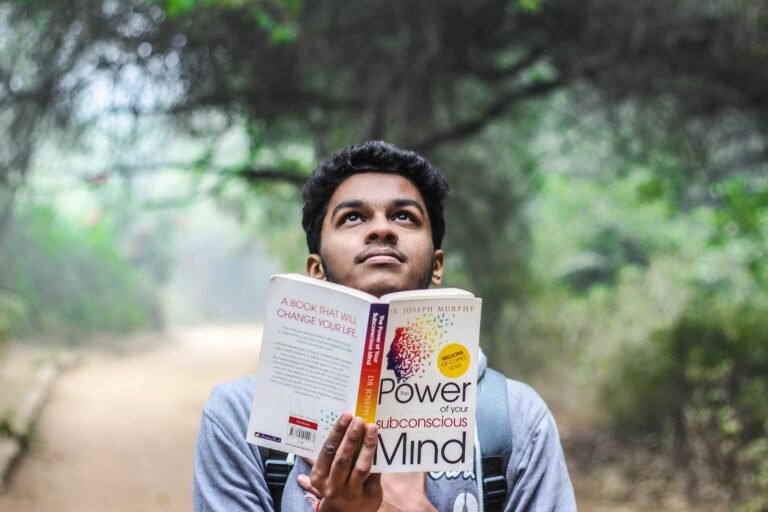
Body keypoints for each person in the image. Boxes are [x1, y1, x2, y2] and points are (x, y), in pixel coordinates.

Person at [193, 141, 576, 511]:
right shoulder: (241, 419)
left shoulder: (515, 419)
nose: (382, 229)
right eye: (353, 217)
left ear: (437, 264)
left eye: (404, 216)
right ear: (316, 271)